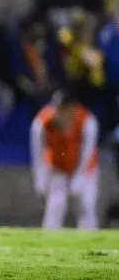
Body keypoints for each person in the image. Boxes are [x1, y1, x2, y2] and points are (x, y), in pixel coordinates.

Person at [31, 89, 100, 230]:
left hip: (86, 169)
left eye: (63, 110)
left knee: (86, 205)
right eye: (57, 109)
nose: (59, 114)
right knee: (55, 205)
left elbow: (87, 152)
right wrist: (40, 177)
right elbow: (37, 152)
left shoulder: (88, 121)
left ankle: (90, 238)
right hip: (58, 168)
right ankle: (50, 237)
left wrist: (79, 177)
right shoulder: (41, 122)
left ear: (72, 109)